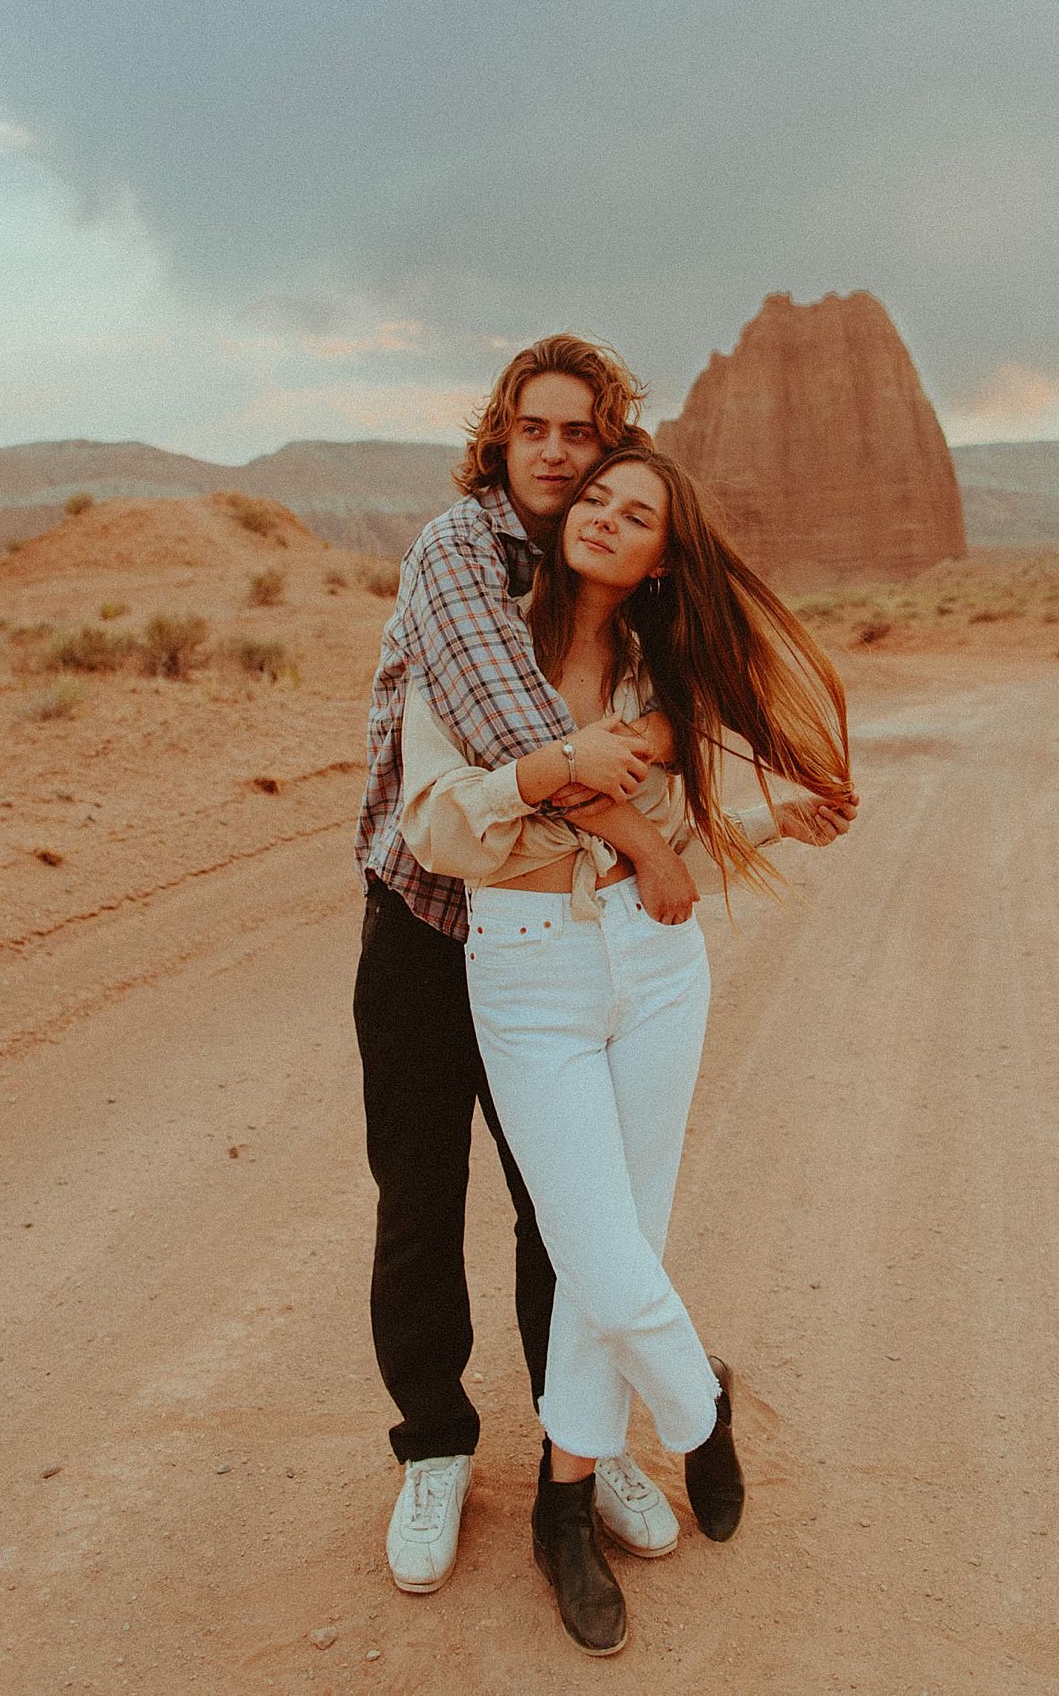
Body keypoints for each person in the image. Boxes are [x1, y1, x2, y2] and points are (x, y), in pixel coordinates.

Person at [399, 445, 856, 1655]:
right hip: (527, 969)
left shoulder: (659, 671)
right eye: (594, 499)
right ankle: (699, 1413)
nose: (602, 517)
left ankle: (565, 1503)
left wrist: (775, 818)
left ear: (665, 549)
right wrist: (553, 769)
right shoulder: (477, 645)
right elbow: (436, 823)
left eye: (636, 511)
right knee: (592, 1247)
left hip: (656, 973)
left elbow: (672, 849)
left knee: (629, 1238)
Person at [354, 334, 693, 1595]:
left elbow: (684, 712)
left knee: (570, 1205)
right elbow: (517, 732)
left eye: (582, 434)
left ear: (610, 444)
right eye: (534, 428)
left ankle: (582, 1436)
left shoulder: (606, 566)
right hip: (427, 927)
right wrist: (642, 842)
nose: (557, 453)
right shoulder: (458, 551)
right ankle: (434, 1447)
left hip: (548, 938)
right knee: (418, 1196)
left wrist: (667, 734)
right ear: (501, 435)